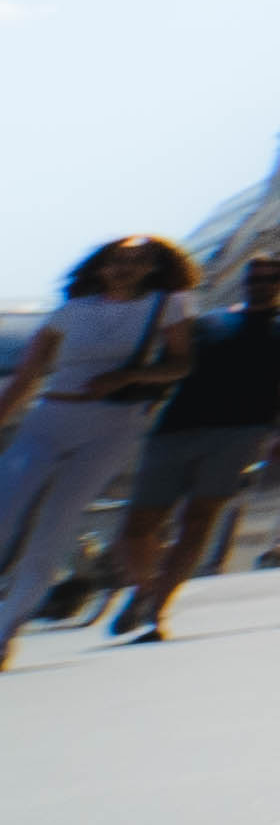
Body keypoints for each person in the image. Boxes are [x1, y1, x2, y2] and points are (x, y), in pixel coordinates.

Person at [101, 250, 280, 645]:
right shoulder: (208, 322)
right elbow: (170, 368)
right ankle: (145, 588)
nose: (261, 284)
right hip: (175, 427)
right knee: (138, 526)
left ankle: (158, 609)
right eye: (255, 276)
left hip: (242, 430)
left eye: (271, 278)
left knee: (199, 520)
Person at [0, 235, 200, 665]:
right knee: (5, 510)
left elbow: (181, 363)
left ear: (153, 267)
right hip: (49, 419)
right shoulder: (72, 310)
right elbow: (26, 376)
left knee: (55, 525)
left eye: (138, 260)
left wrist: (128, 377)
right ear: (99, 267)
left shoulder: (168, 305)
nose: (124, 267)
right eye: (116, 260)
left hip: (111, 427)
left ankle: (6, 630)